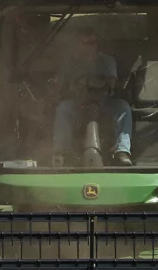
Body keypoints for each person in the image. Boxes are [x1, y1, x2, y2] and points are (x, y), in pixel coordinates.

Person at [50, 27, 132, 166]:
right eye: (86, 43)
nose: (91, 46)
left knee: (123, 107)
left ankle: (122, 151)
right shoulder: (69, 63)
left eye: (93, 43)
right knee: (63, 108)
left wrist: (87, 82)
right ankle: (61, 152)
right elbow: (59, 85)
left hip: (104, 103)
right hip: (78, 103)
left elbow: (111, 82)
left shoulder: (106, 61)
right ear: (77, 44)